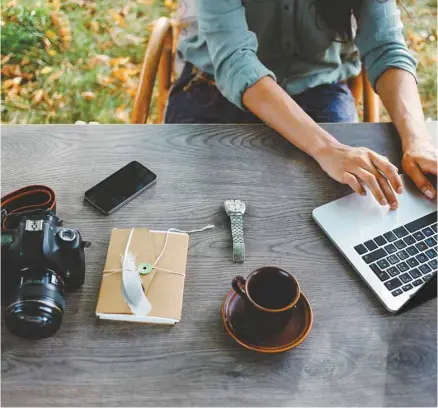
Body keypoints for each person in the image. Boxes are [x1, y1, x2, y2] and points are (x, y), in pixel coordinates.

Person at [165, 0, 437, 209]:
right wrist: (329, 149)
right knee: (189, 198)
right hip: (212, 85)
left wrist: (417, 139)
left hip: (316, 86)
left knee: (347, 202)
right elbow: (235, 60)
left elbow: (385, 48)